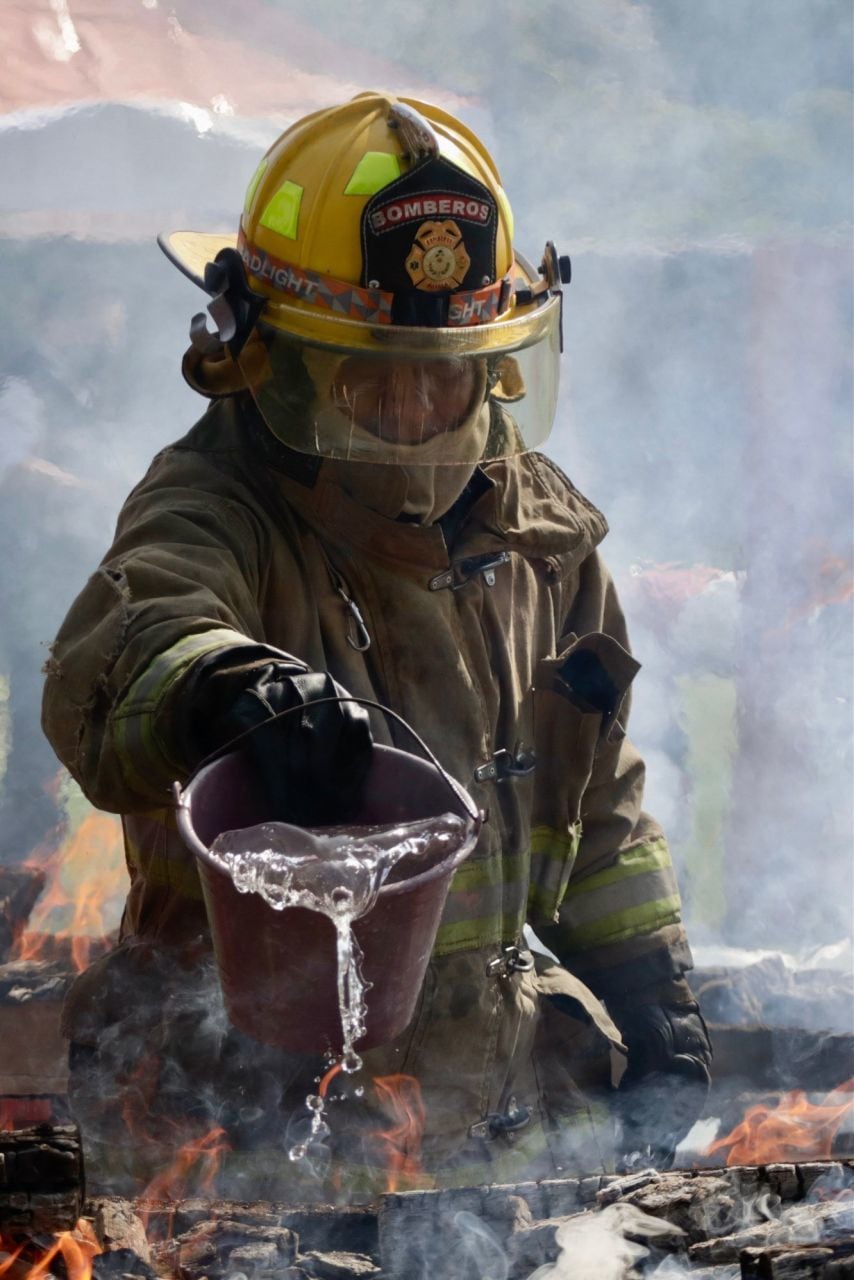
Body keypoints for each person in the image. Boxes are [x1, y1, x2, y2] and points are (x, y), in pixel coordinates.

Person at [41, 92, 711, 1194]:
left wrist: (654, 994)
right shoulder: (217, 501)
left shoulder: (541, 539)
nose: (412, 406)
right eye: (370, 373)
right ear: (277, 362)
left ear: (494, 360)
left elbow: (594, 812)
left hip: (474, 1124)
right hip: (239, 1141)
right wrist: (227, 686)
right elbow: (134, 633)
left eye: (441, 371)